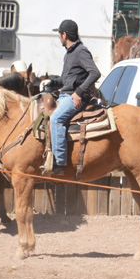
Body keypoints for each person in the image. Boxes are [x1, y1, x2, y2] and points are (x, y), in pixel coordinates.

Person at [46, 19, 101, 175]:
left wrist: (79, 92)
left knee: (56, 119)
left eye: (59, 34)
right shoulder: (68, 54)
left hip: (75, 97)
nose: (59, 37)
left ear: (64, 35)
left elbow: (95, 73)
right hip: (66, 95)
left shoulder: (81, 51)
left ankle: (59, 162)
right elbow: (65, 79)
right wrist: (51, 82)